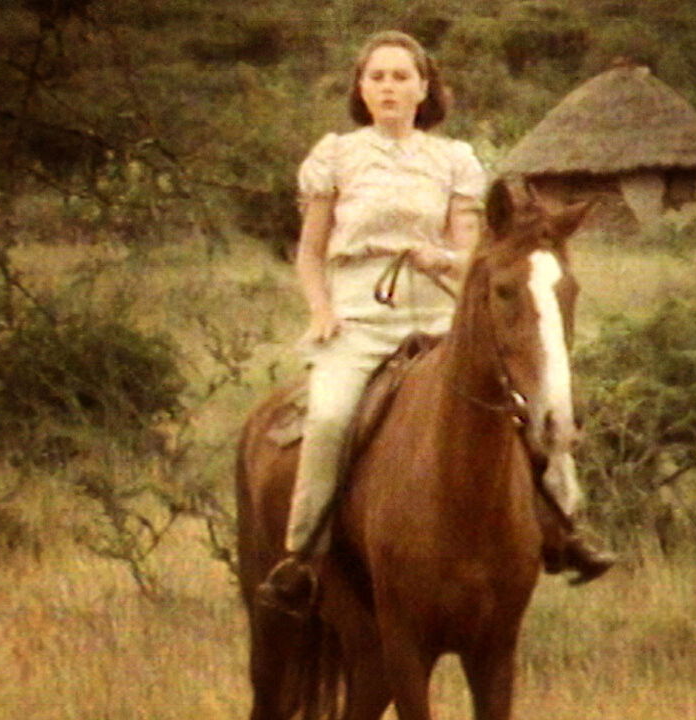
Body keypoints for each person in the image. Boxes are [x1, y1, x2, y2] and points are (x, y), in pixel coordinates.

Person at [257, 31, 611, 615]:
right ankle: (304, 557)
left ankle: (564, 529)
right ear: (360, 89)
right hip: (358, 315)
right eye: (377, 77)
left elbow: (470, 251)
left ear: (424, 89)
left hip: (440, 310)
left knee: (531, 398)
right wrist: (321, 310)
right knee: (329, 417)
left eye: (402, 77)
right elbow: (310, 252)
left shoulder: (454, 160)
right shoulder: (335, 155)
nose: (389, 87)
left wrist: (440, 258)